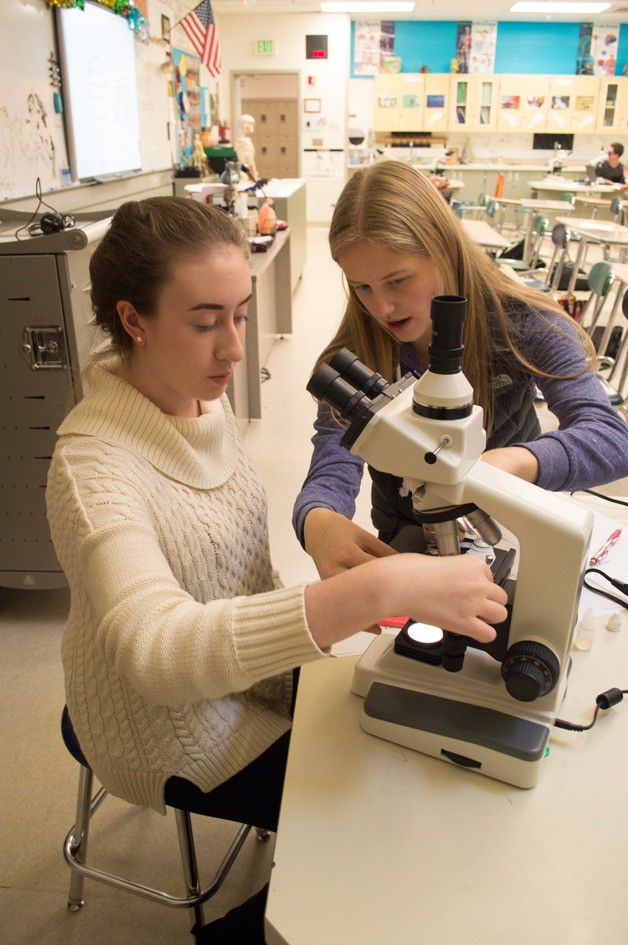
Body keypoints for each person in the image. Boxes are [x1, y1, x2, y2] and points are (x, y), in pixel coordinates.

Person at [46, 196, 507, 945]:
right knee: (378, 826)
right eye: (206, 321)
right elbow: (158, 654)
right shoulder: (93, 468)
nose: (235, 347)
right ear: (133, 320)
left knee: (409, 759)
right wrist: (374, 590)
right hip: (160, 723)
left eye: (240, 312)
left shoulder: (196, 401)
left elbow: (228, 583)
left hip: (248, 678)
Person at [292, 160, 628, 580]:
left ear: (445, 251)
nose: (380, 307)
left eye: (397, 280)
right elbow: (333, 460)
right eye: (362, 286)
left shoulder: (523, 324)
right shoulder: (360, 350)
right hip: (408, 531)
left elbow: (612, 437)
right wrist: (318, 519)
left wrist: (509, 465)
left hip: (512, 523)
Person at [234, 113, 259, 182]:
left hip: (248, 170)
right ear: (244, 125)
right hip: (243, 171)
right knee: (244, 178)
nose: (252, 126)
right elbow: (243, 160)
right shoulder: (241, 142)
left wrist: (255, 173)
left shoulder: (247, 140)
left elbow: (251, 159)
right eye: (250, 123)